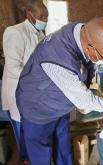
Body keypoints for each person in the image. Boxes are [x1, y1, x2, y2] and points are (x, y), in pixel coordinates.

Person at [15, 17, 103, 165]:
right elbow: (85, 100)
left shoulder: (85, 33)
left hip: (60, 104)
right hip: (37, 107)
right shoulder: (56, 57)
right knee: (41, 153)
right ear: (89, 49)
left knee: (63, 147)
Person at [2, 0, 48, 163]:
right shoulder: (16, 32)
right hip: (18, 96)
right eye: (42, 16)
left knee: (32, 134)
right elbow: (13, 67)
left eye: (46, 15)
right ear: (29, 14)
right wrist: (38, 75)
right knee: (24, 136)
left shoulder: (40, 34)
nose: (45, 19)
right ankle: (25, 160)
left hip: (33, 95)